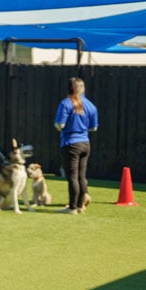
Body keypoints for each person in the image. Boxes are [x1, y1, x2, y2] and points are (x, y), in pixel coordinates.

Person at [54, 76, 98, 215]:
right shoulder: (91, 105)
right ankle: (80, 205)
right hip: (85, 143)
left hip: (70, 144)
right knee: (81, 176)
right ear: (83, 88)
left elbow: (60, 125)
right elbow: (94, 128)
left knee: (72, 177)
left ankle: (72, 207)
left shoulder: (66, 103)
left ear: (69, 88)